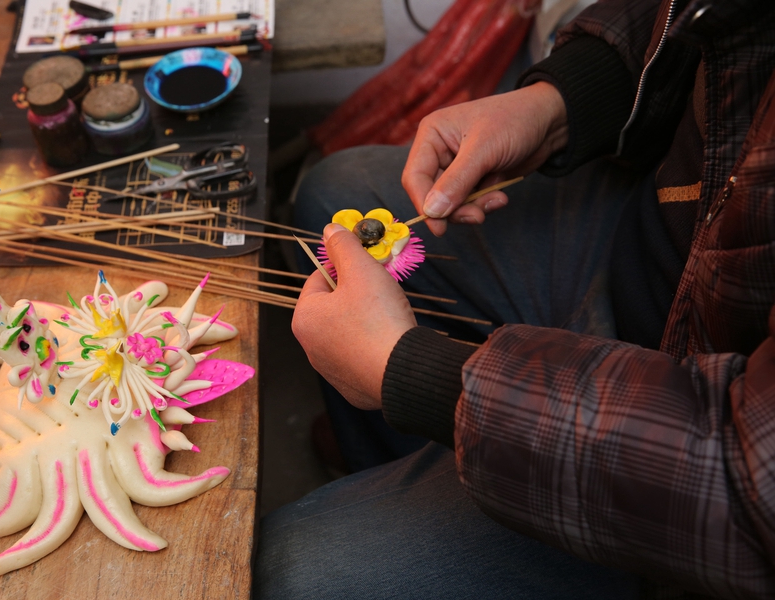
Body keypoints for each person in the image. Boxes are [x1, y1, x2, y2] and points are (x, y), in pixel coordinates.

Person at [254, 0, 775, 598]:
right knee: (332, 188)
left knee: (286, 573)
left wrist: (418, 376)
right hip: (660, 246)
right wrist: (563, 100)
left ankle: (432, 469)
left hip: (685, 474)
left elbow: (749, 486)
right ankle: (399, 464)